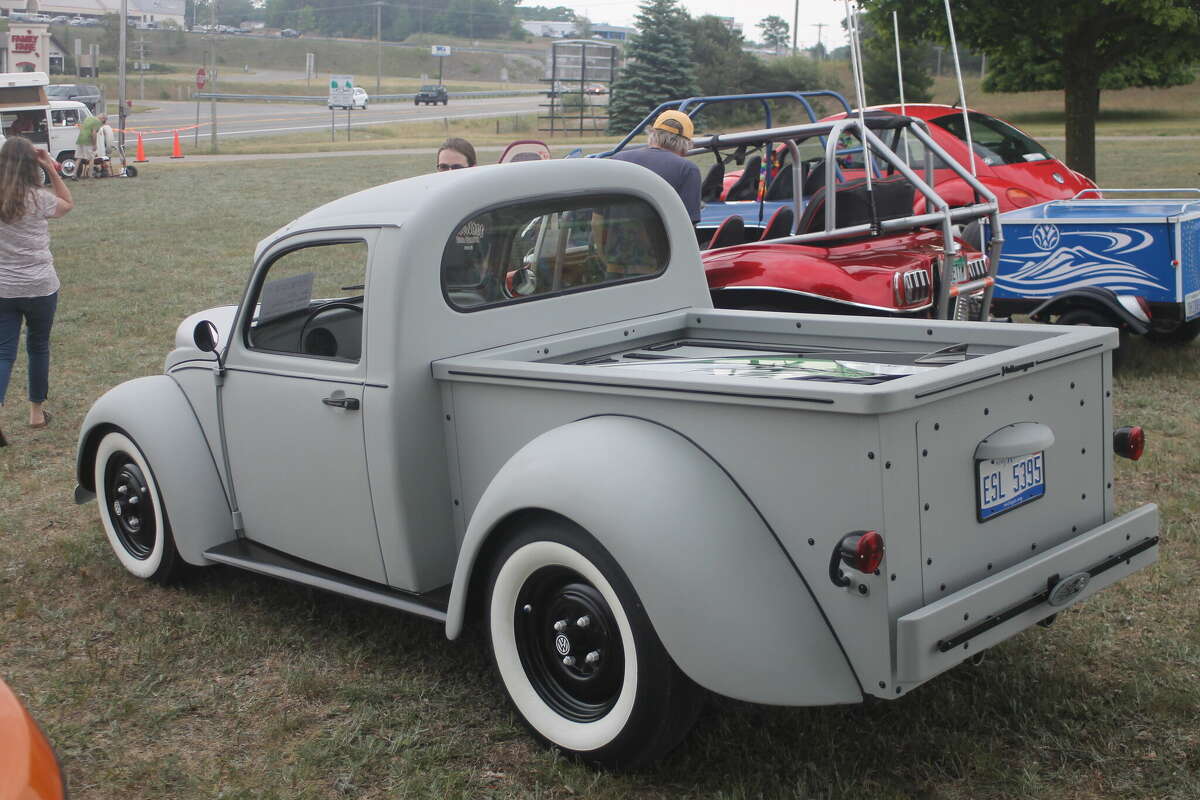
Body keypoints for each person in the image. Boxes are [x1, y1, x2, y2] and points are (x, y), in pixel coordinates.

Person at [0, 138, 74, 446]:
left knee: (4, 353)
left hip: (4, 288)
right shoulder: (38, 198)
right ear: (32, 165)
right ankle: (35, 413)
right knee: (38, 347)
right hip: (41, 285)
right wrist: (50, 166)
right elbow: (67, 204)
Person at [610, 109, 701, 223]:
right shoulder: (687, 169)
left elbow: (598, 217)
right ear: (686, 144)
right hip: (660, 241)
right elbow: (687, 224)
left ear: (652, 134)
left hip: (617, 240)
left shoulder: (618, 159)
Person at [75, 112, 103, 180]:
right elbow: (94, 133)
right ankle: (90, 175)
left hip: (80, 139)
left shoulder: (88, 118)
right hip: (87, 141)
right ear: (102, 119)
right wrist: (94, 144)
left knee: (79, 158)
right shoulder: (98, 122)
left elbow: (82, 127)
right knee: (91, 158)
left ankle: (74, 174)